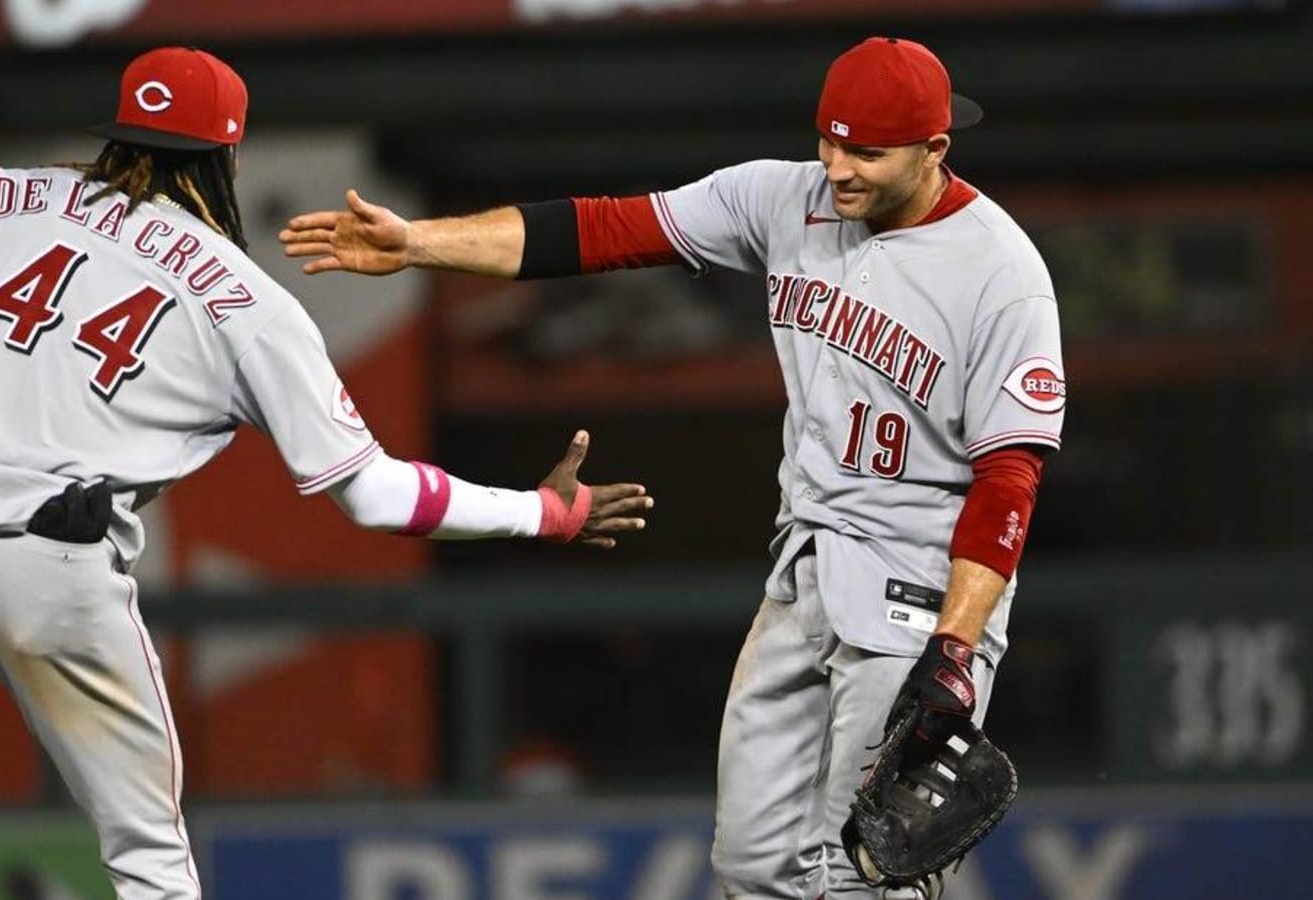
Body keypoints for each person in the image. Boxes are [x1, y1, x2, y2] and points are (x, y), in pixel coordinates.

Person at [0, 46, 652, 900]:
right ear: (227, 157)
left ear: (121, 131)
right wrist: (540, 513)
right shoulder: (247, 302)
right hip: (51, 567)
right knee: (150, 863)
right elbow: (372, 493)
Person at [280, 35, 1065, 899]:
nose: (837, 167)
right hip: (804, 570)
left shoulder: (1001, 274)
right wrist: (420, 243)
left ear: (934, 149)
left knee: (861, 878)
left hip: (917, 592)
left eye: (867, 153)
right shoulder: (783, 197)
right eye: (829, 140)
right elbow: (607, 229)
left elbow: (1010, 477)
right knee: (752, 865)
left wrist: (956, 647)